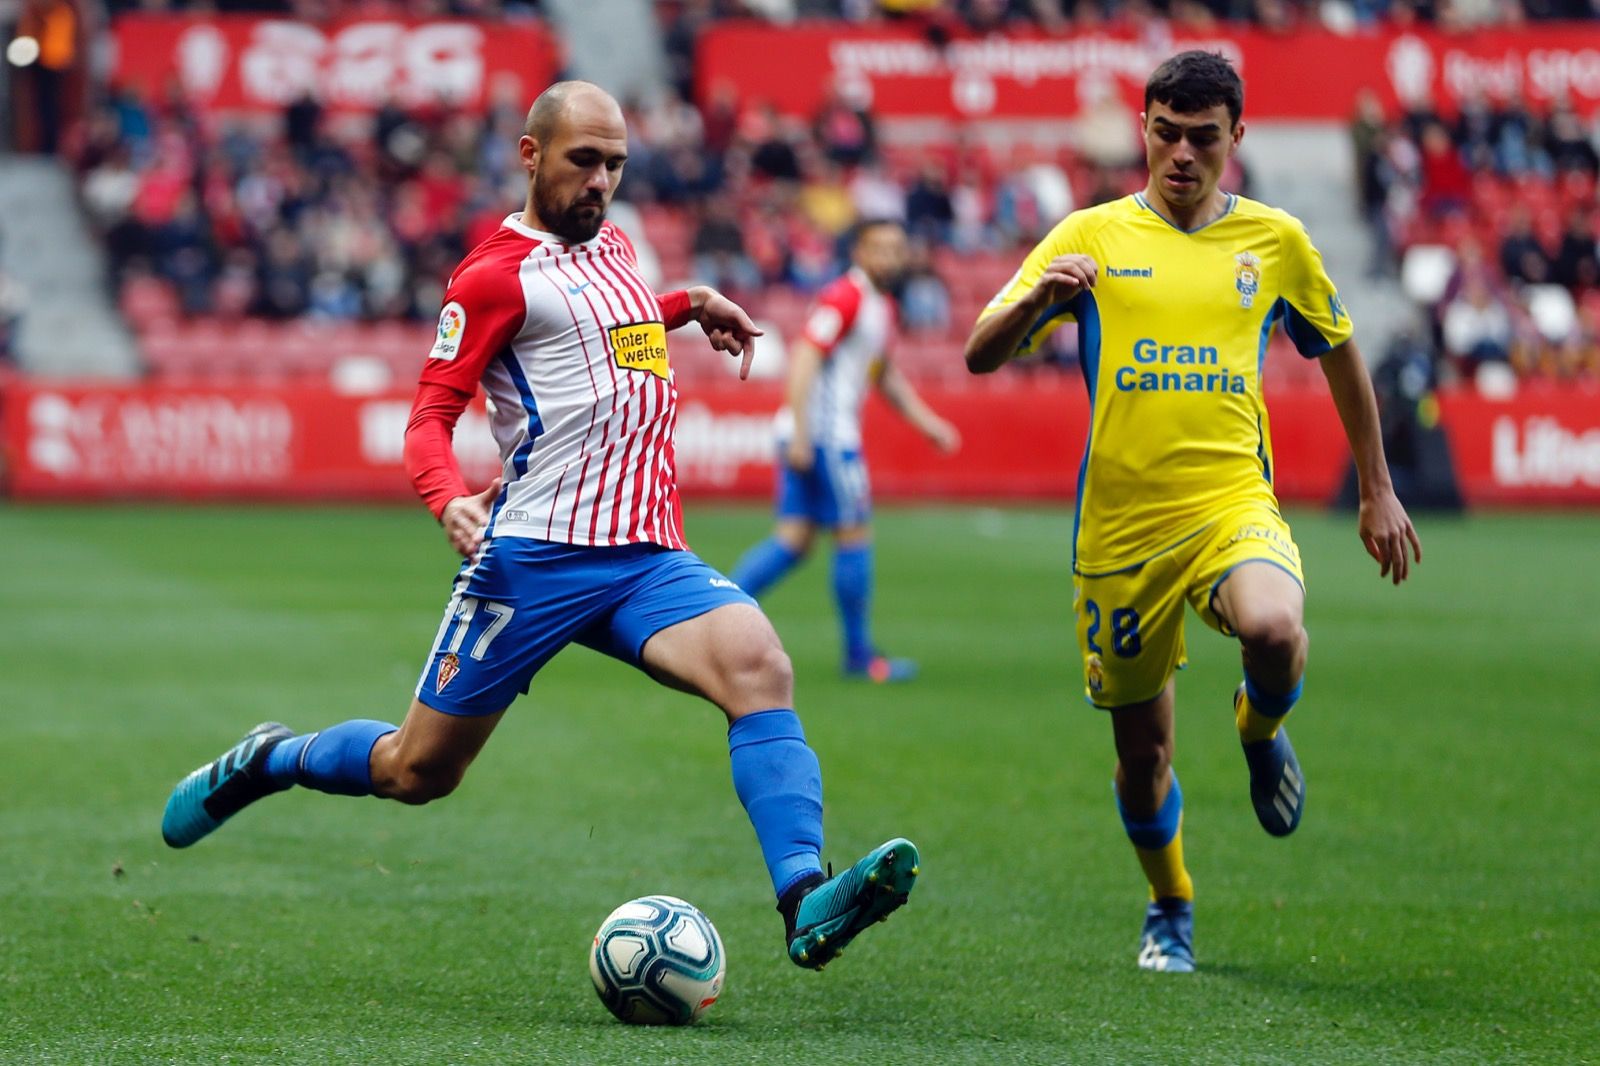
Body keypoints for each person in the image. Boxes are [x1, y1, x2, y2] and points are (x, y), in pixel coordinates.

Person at [160, 81, 919, 972]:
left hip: (644, 556)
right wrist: (451, 503)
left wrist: (688, 302)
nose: (601, 182)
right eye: (583, 161)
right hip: (533, 562)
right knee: (418, 771)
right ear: (531, 156)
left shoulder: (619, 246)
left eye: (616, 166)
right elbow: (427, 419)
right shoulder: (491, 278)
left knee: (762, 668)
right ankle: (269, 759)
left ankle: (804, 900)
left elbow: (611, 325)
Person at [962, 51, 1421, 974]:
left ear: (1235, 138)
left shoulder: (1275, 241)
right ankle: (1170, 901)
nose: (1180, 154)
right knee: (1144, 758)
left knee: (1276, 627)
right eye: (1165, 132)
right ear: (1143, 129)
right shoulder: (1088, 234)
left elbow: (1337, 350)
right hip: (1121, 533)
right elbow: (979, 351)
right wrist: (1040, 306)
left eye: (1201, 138)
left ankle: (1259, 726)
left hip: (1229, 503)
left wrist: (1376, 485)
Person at [730, 219, 960, 683]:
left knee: (793, 542)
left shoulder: (881, 305)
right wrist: (799, 431)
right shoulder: (847, 296)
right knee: (853, 535)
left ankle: (714, 619)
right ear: (858, 251)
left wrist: (927, 423)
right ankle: (859, 657)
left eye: (897, 249)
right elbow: (805, 355)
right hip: (826, 438)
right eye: (879, 249)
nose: (889, 258)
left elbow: (884, 375)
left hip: (811, 435)